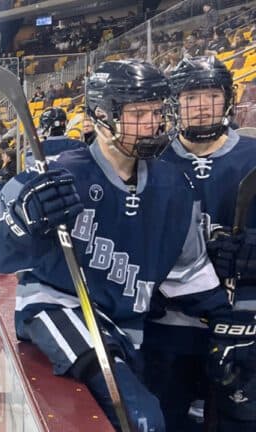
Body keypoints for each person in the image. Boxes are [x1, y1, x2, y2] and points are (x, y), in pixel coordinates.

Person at [0, 60, 233, 431]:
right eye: (138, 114)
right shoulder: (57, 174)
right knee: (141, 418)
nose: (151, 124)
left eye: (156, 112)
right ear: (101, 117)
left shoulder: (175, 187)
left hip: (126, 329)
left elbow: (187, 274)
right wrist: (24, 218)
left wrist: (228, 320)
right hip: (60, 309)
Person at [144, 56, 256, 431]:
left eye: (211, 95)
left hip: (240, 323)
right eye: (191, 97)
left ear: (227, 100)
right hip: (167, 323)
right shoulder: (151, 160)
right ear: (176, 104)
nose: (202, 106)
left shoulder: (253, 157)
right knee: (167, 419)